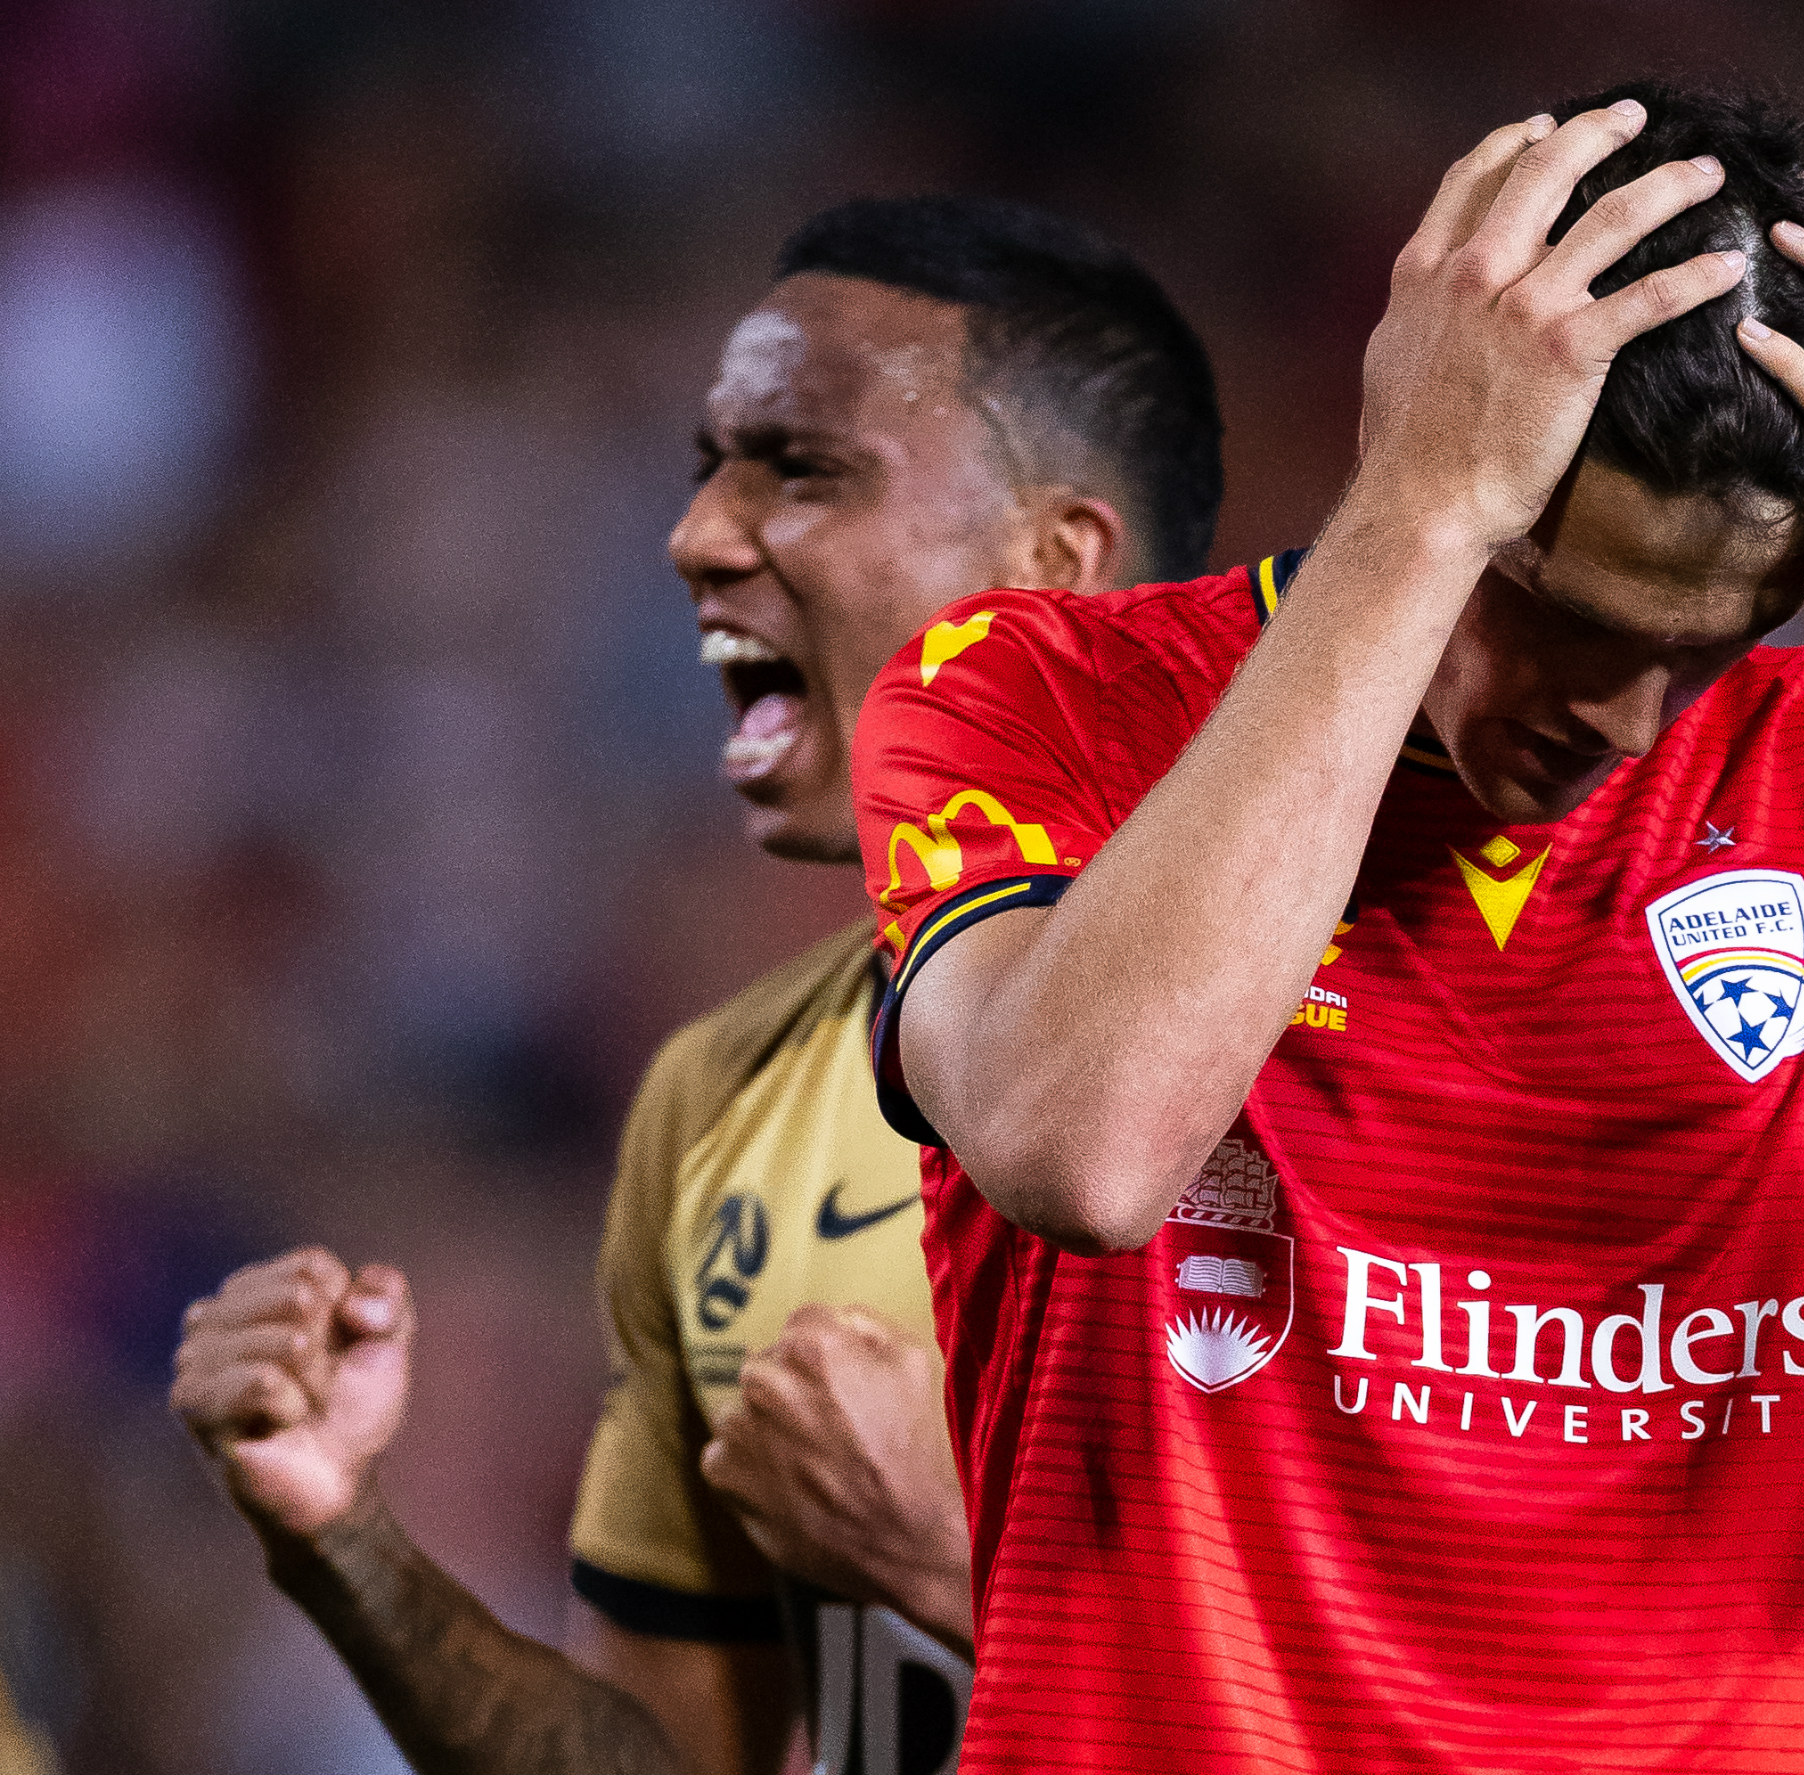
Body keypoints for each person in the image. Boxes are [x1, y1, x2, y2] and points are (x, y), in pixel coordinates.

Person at [855, 82, 1804, 1772]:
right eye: (1564, 619)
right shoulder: (1040, 697)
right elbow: (1088, 1151)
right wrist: (1416, 519)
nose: (1628, 725)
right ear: (1423, 438)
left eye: (1707, 645)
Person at [168, 195, 1224, 1775]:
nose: (699, 538)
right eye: (710, 471)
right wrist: (350, 1545)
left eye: (804, 470)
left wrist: (948, 1570)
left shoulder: (1408, 1042)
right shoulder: (723, 1098)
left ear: (1054, 566)